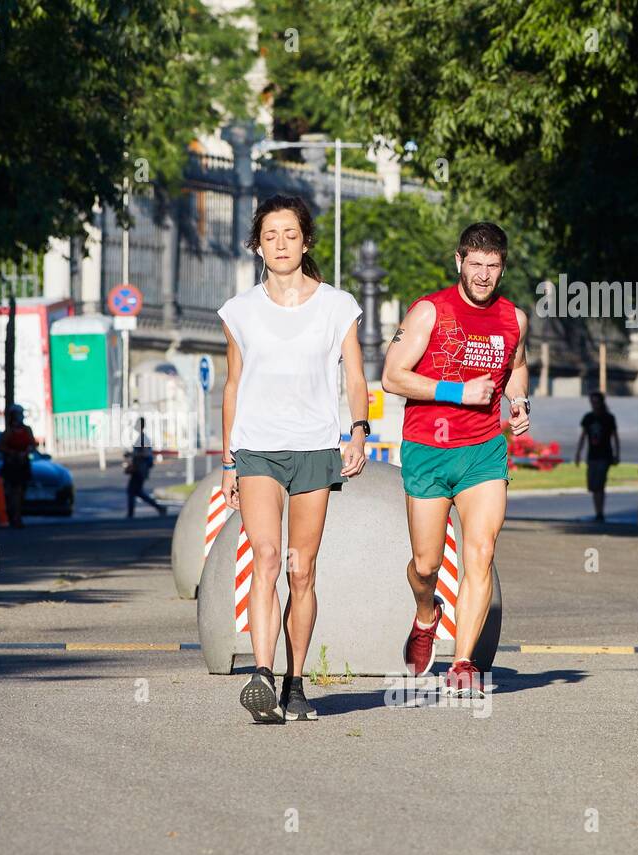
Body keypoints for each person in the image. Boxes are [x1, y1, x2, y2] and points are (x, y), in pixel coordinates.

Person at [220, 194, 368, 723]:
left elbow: (354, 377)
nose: (280, 245)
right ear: (258, 247)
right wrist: (228, 459)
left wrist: (357, 430)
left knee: (301, 568)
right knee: (264, 556)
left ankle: (295, 683)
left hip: (315, 445)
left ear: (306, 241)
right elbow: (233, 386)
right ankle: (261, 674)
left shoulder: (337, 305)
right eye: (270, 236)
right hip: (257, 446)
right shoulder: (239, 312)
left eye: (290, 235)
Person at [382, 222, 530, 698]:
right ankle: (427, 614)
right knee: (426, 567)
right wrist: (458, 390)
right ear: (459, 262)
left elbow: (517, 367)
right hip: (427, 450)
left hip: (483, 451)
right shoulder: (429, 312)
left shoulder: (514, 320)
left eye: (493, 266)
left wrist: (519, 401)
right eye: (476, 264)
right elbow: (391, 377)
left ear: (502, 268)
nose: (484, 275)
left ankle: (462, 662)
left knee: (480, 553)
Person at [574, 391, 619, 521]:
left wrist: (617, 453)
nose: (594, 404)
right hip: (592, 455)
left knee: (599, 485)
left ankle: (600, 513)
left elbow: (615, 437)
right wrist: (578, 453)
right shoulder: (588, 418)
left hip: (605, 455)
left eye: (596, 401)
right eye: (592, 402)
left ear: (601, 402)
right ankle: (598, 512)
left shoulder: (609, 418)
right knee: (593, 486)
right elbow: (583, 437)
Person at [0, 405, 37, 528]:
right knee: (14, 491)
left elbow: (32, 444)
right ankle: (14, 516)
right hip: (12, 465)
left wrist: (26, 451)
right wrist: (13, 453)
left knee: (22, 491)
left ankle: (18, 514)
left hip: (23, 464)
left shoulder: (27, 430)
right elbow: (1, 447)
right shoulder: (8, 431)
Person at [125, 417, 166, 518]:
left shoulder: (143, 439)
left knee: (132, 490)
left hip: (140, 469)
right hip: (139, 468)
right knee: (136, 491)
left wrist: (133, 455)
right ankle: (159, 508)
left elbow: (146, 454)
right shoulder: (141, 438)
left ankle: (131, 514)